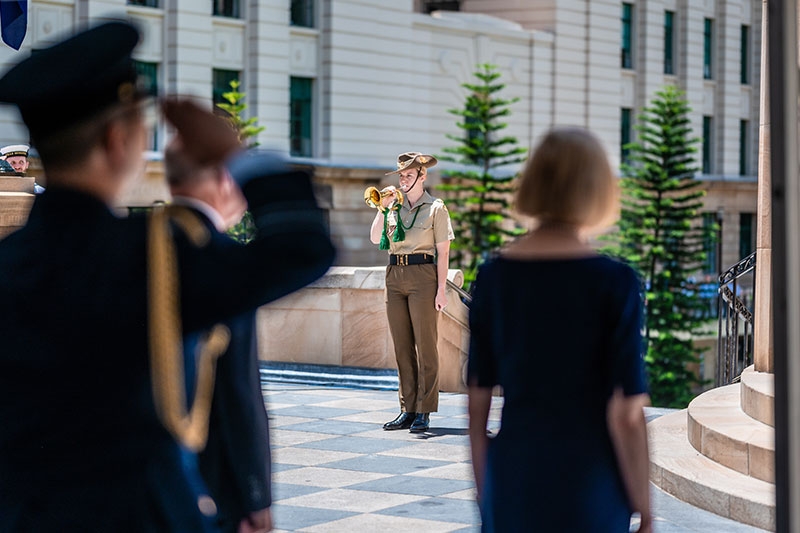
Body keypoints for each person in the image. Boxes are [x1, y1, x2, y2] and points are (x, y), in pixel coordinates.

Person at [0, 21, 335, 532]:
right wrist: (233, 154)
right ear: (119, 140)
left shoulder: (10, 261)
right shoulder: (152, 257)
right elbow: (304, 248)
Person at [467, 127, 652, 532]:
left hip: (515, 474)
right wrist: (646, 509)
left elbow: (477, 407)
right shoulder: (614, 281)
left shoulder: (494, 277)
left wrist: (488, 498)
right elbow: (626, 413)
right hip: (591, 481)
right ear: (597, 189)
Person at [165, 138, 273, 533]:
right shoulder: (222, 260)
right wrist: (255, 495)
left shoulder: (127, 244)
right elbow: (239, 394)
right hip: (204, 484)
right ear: (225, 179)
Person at [369, 152, 454, 433]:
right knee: (402, 347)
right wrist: (384, 208)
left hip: (423, 277)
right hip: (395, 276)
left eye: (408, 175)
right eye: (401, 176)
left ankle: (425, 410)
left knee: (426, 346)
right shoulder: (394, 207)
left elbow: (443, 254)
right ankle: (407, 409)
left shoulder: (436, 208)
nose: (403, 180)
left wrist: (441, 290)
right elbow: (374, 238)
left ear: (422, 176)